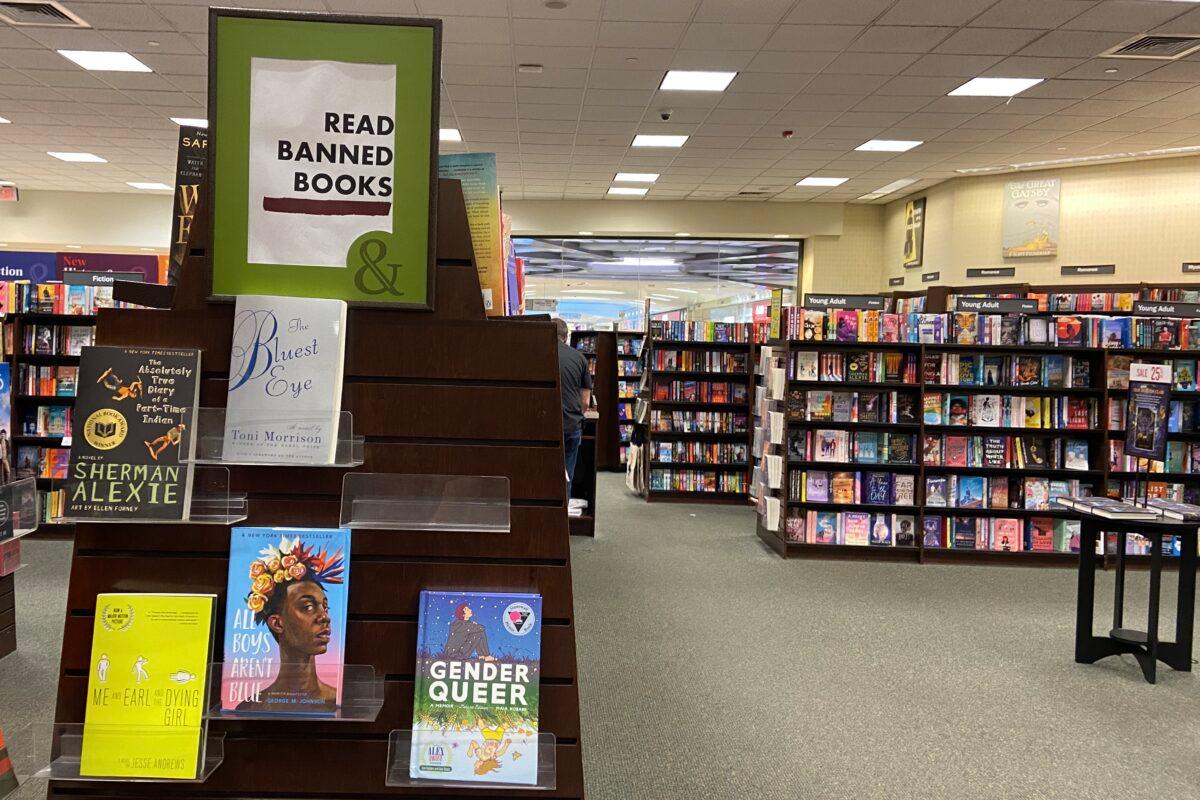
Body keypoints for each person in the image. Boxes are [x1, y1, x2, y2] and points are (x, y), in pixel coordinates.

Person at [555, 318, 592, 497]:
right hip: (571, 424)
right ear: (566, 336)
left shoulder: (536, 354)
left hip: (544, 426)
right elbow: (585, 401)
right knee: (567, 474)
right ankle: (565, 510)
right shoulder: (579, 358)